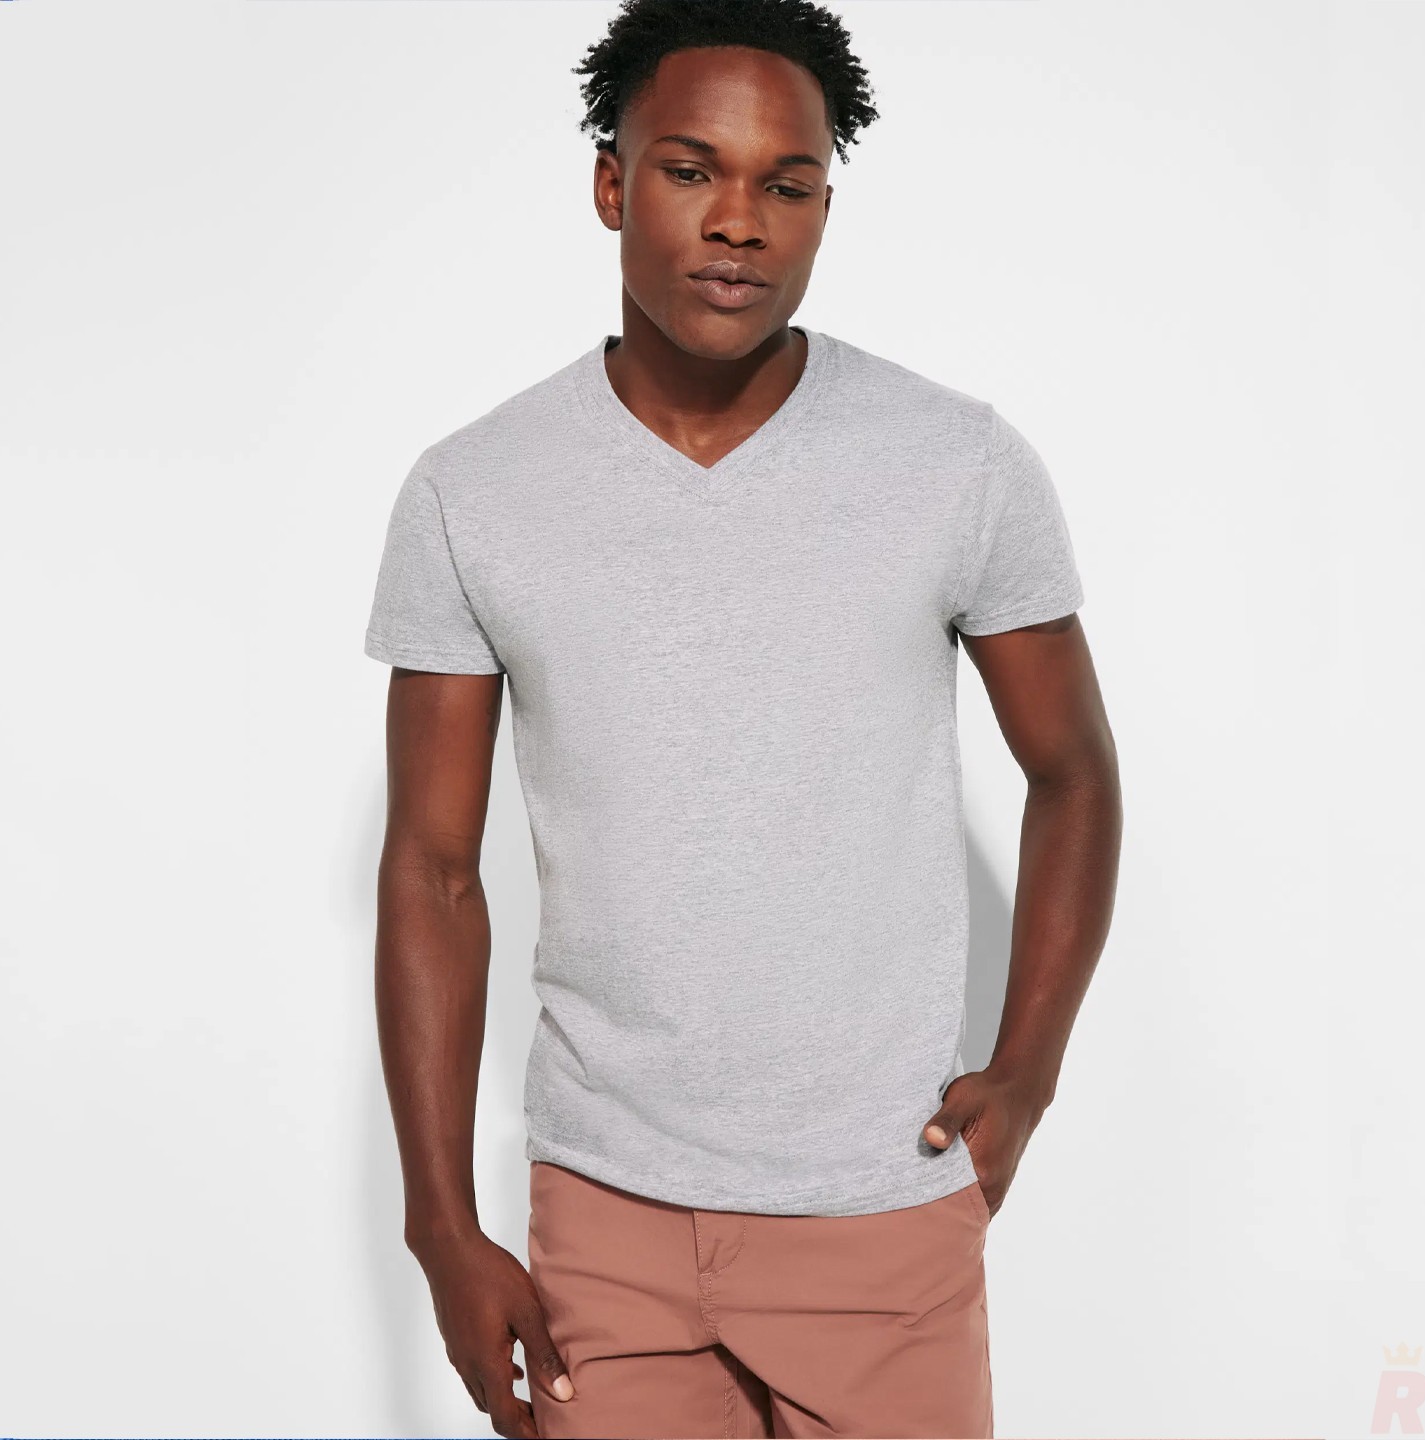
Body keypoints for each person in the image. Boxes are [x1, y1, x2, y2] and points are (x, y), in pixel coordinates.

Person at [363, 1, 1122, 1435]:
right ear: (611, 185)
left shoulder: (954, 463)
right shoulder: (475, 490)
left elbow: (1074, 773)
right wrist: (440, 1224)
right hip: (605, 1220)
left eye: (789, 184)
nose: (739, 221)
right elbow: (432, 869)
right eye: (689, 169)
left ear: (825, 208)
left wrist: (1026, 1075)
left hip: (881, 1207)